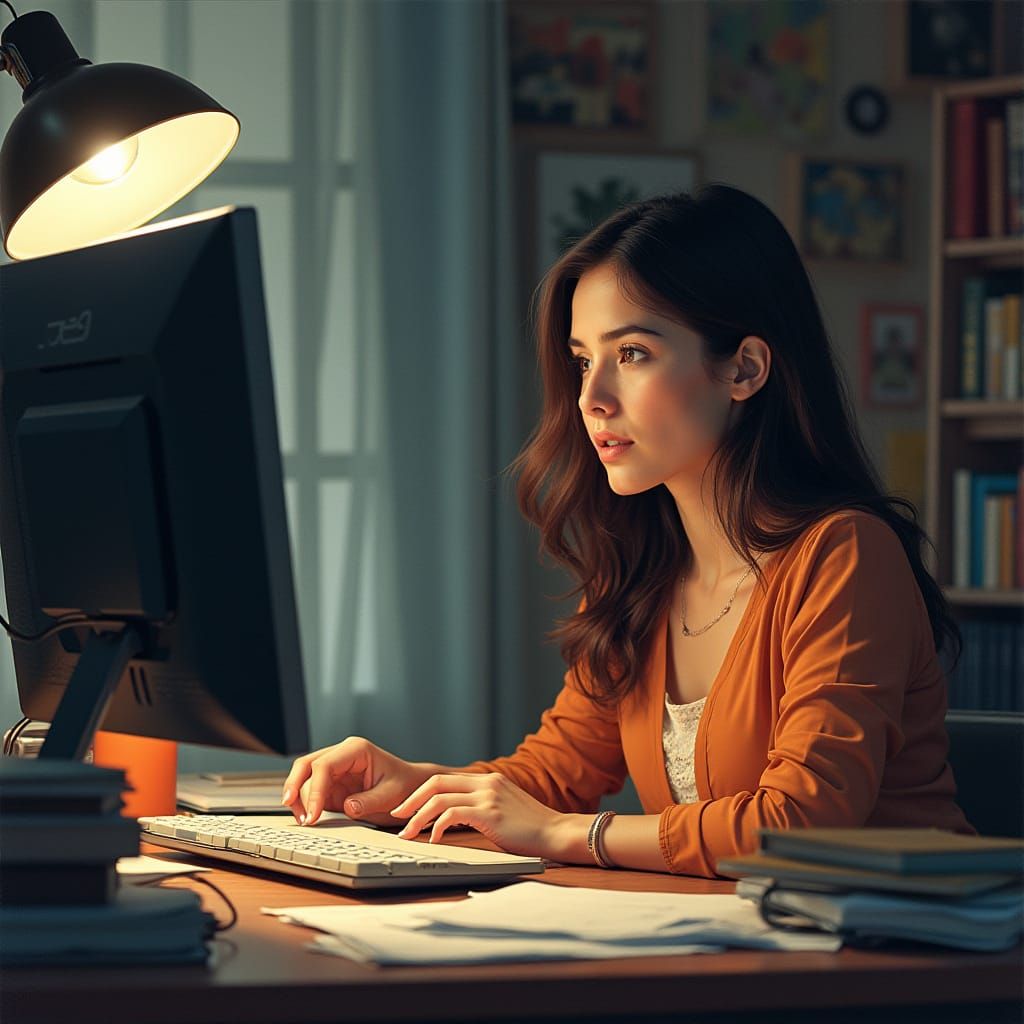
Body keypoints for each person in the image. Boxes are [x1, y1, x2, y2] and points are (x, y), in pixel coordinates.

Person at [281, 184, 975, 878]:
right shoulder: (645, 571)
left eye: (633, 353)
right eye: (584, 359)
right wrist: (413, 784)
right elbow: (551, 778)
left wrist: (566, 836)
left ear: (744, 368)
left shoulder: (845, 555)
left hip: (895, 957)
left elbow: (802, 819)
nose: (591, 398)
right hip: (736, 950)